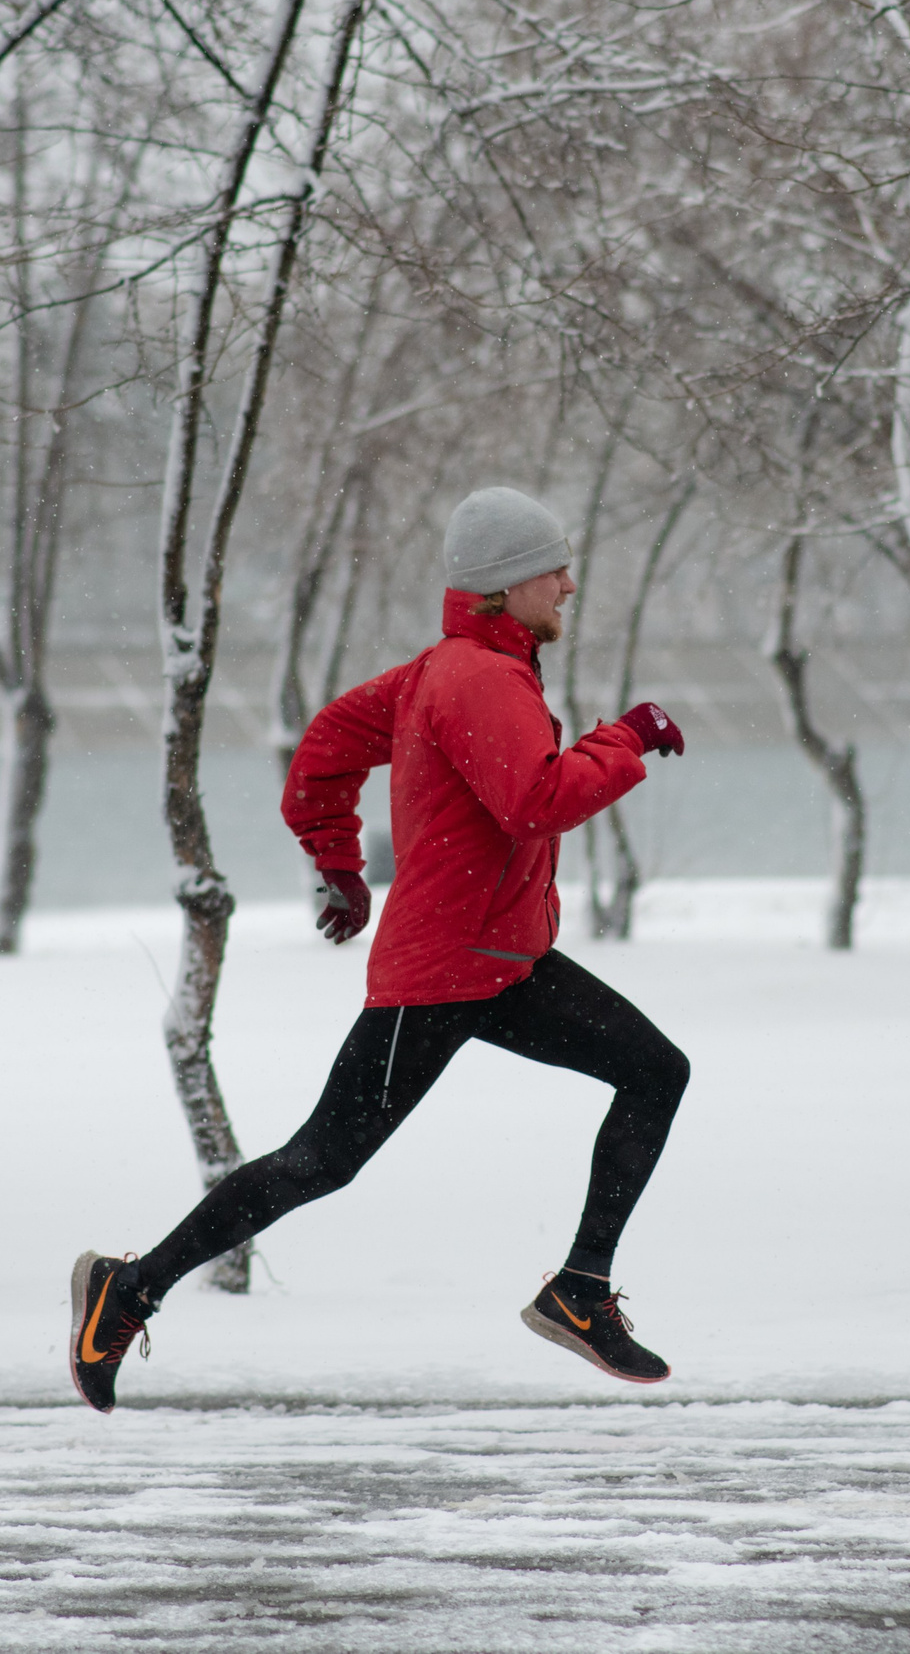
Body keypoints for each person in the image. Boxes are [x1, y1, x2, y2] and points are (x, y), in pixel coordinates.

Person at [71, 486, 689, 1413]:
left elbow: (322, 751)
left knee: (655, 1069)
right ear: (503, 585)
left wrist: (343, 869)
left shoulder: (446, 670)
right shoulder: (474, 677)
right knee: (322, 1159)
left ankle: (580, 1290)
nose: (569, 583)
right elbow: (536, 799)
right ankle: (132, 1288)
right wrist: (626, 738)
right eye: (553, 569)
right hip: (442, 975)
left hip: (504, 961)